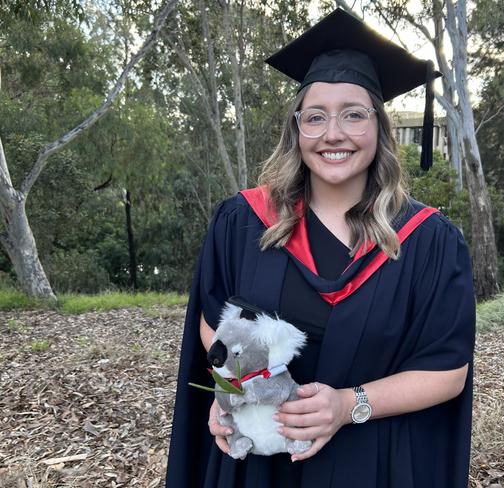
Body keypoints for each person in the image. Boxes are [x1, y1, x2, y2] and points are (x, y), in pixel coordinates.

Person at [166, 8, 475, 488]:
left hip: (370, 463)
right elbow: (213, 322)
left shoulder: (428, 241)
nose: (334, 134)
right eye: (316, 117)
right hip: (258, 463)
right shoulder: (243, 222)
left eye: (354, 114)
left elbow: (447, 372)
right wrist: (232, 392)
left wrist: (346, 406)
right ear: (296, 130)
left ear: (379, 128)